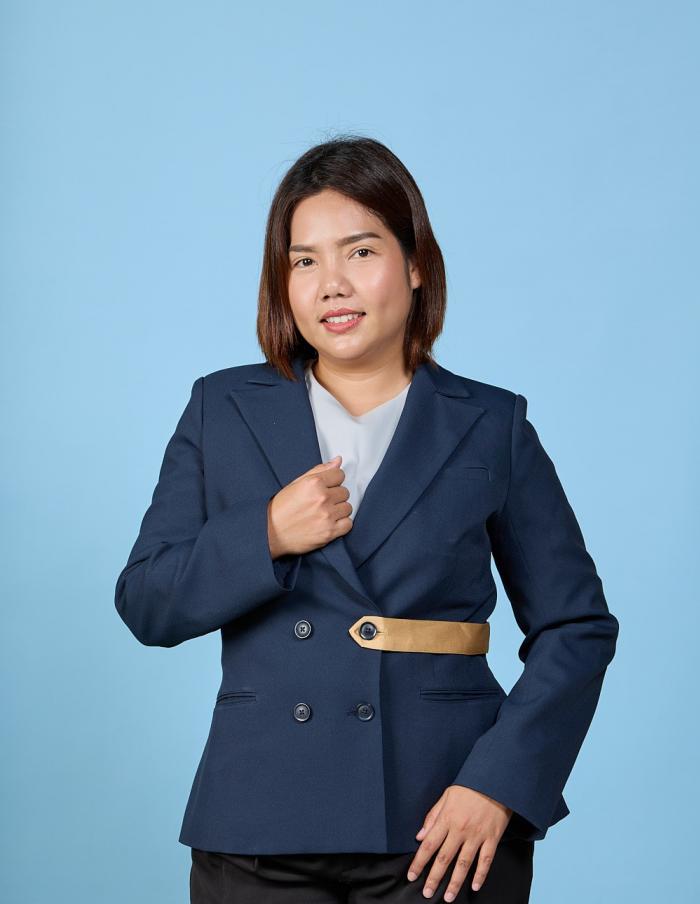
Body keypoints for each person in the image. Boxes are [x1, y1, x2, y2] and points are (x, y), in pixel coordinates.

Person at [114, 135, 620, 903]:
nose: (332, 285)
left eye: (360, 251)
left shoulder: (491, 424)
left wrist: (499, 784)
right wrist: (266, 535)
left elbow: (576, 627)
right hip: (259, 817)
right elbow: (148, 602)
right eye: (304, 261)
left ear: (415, 264)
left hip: (442, 824)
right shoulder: (222, 408)